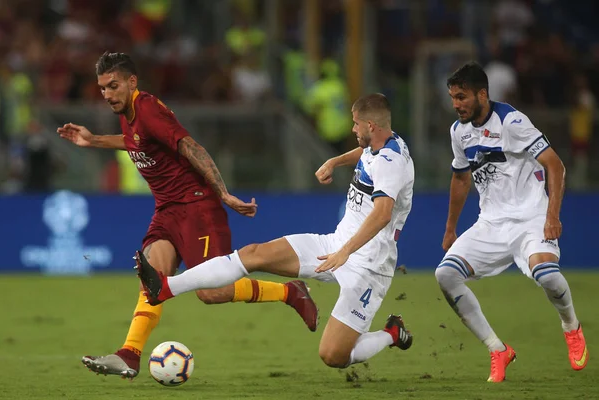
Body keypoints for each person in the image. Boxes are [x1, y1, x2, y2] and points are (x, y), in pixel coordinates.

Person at [56, 52, 318, 379]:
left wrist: (222, 193)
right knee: (153, 274)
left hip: (197, 208)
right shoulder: (129, 111)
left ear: (131, 82)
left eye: (113, 86)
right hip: (167, 210)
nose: (107, 94)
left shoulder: (149, 109)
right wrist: (93, 140)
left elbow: (193, 148)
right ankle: (130, 354)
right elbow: (136, 142)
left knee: (212, 293)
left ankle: (290, 292)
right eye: (102, 89)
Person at [136, 93, 415, 368]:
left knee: (333, 356)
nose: (352, 128)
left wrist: (344, 253)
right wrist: (334, 162)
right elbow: (367, 153)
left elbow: (382, 214)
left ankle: (392, 333)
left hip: (368, 266)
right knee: (253, 254)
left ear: (371, 126)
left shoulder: (392, 163)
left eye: (356, 124)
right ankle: (166, 287)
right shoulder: (384, 142)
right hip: (335, 244)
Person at [435, 62, 588, 383]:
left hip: (531, 218)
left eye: (462, 97)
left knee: (548, 277)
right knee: (445, 275)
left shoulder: (512, 122)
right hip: (490, 224)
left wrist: (551, 216)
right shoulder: (458, 132)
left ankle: (571, 326)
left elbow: (555, 166)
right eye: (453, 98)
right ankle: (497, 349)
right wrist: (451, 227)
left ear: (482, 94)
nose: (456, 104)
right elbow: (461, 179)